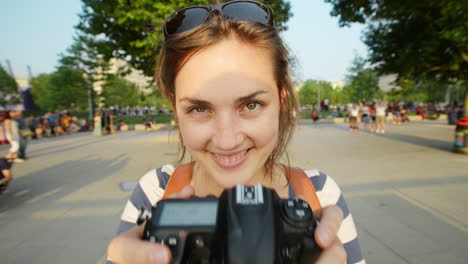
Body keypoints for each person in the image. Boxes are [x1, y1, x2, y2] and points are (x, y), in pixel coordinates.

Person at [107, 1, 364, 263]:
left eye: (251, 105)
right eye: (198, 108)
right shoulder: (154, 192)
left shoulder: (321, 195)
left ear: (281, 100)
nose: (227, 140)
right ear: (175, 108)